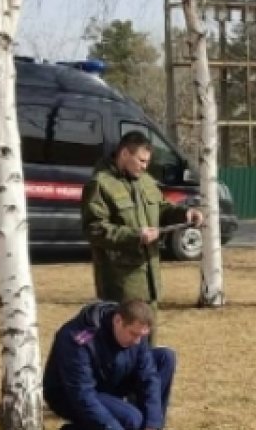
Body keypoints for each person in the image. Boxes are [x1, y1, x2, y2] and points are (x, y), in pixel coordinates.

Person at [43, 299, 176, 430]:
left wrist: (152, 428)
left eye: (142, 336)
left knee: (165, 357)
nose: (137, 341)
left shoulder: (135, 331)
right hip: (70, 394)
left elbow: (148, 377)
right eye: (134, 334)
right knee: (131, 418)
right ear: (118, 321)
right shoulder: (77, 338)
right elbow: (82, 395)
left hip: (109, 377)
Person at [81, 131, 203, 308]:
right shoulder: (100, 184)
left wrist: (185, 214)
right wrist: (135, 235)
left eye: (147, 161)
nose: (145, 166)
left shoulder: (145, 181)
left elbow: (161, 208)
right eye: (141, 160)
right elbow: (94, 228)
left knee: (149, 335)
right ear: (124, 154)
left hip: (150, 282)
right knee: (127, 335)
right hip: (121, 286)